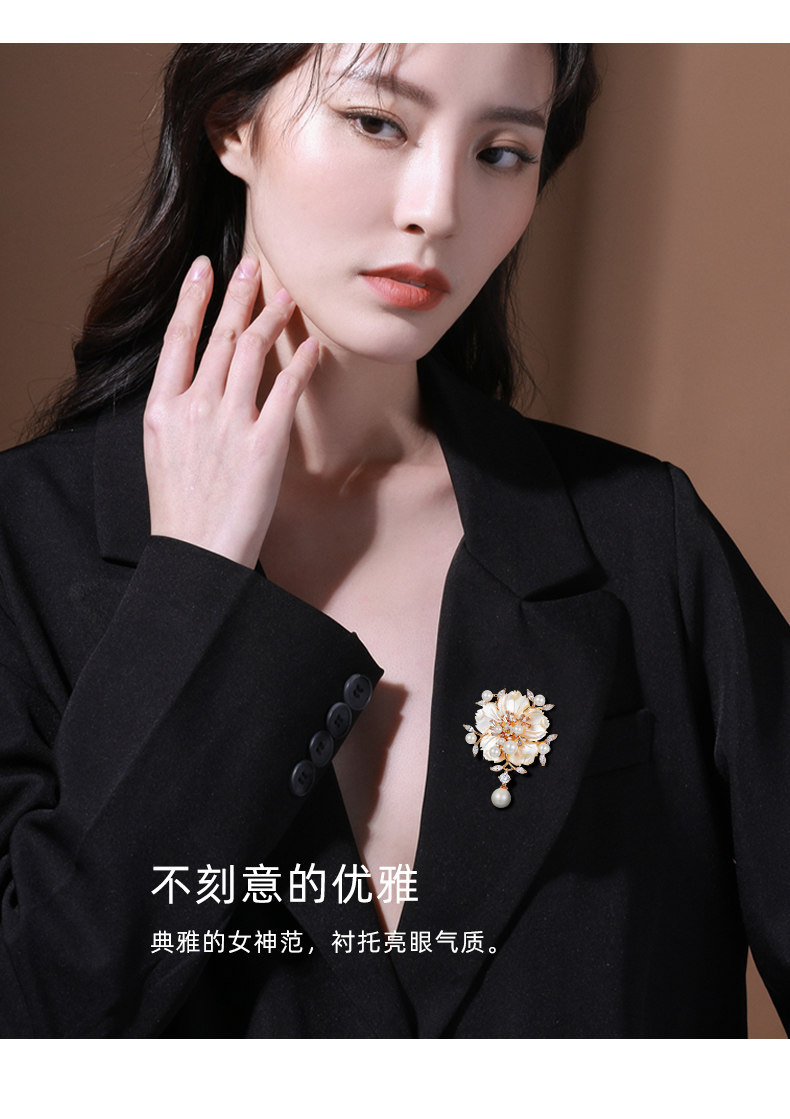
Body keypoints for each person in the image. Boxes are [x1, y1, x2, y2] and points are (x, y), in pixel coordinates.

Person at [0, 43, 787, 1039]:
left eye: (501, 152)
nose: (438, 210)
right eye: (377, 123)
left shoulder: (646, 540)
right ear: (232, 121)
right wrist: (193, 588)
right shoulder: (26, 544)